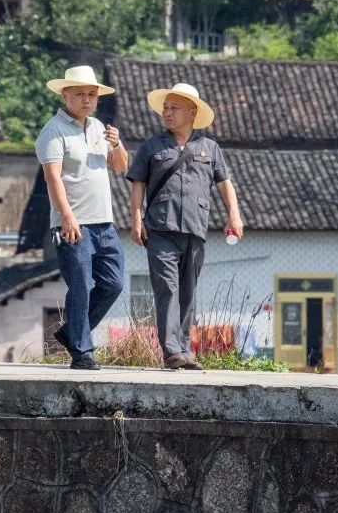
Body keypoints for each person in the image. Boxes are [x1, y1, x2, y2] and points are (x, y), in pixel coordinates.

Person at [126, 83, 243, 370]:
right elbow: (138, 183)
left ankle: (185, 349)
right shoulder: (152, 146)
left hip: (195, 229)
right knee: (167, 289)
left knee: (187, 292)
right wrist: (136, 219)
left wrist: (234, 215)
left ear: (192, 113)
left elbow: (224, 183)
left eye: (173, 108)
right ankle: (172, 353)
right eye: (165, 107)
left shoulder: (209, 148)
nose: (167, 112)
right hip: (160, 229)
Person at [35, 66, 127, 371]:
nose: (87, 99)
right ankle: (82, 352)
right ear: (65, 95)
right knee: (80, 285)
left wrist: (116, 143)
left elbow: (119, 165)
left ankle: (71, 333)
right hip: (73, 223)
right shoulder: (53, 131)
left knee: (113, 284)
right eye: (80, 94)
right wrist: (67, 218)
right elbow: (53, 179)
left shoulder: (98, 127)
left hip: (104, 222)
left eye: (91, 94)